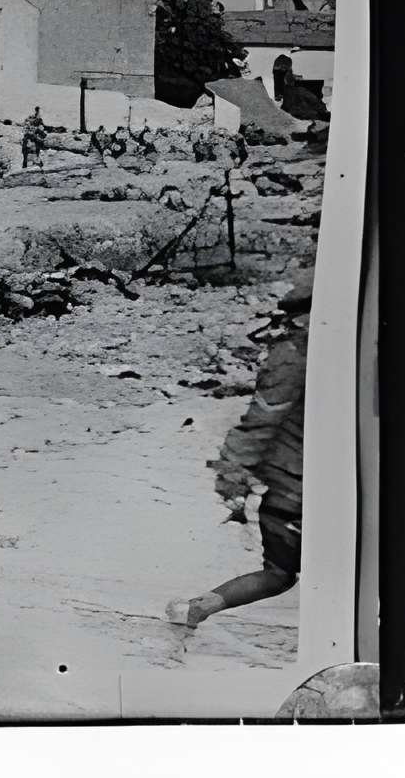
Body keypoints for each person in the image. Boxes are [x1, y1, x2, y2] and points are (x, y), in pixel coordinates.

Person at [170, 270, 311, 634]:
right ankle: (198, 607)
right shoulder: (298, 357)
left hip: (293, 488)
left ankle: (198, 607)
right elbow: (258, 425)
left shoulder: (301, 354)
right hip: (296, 491)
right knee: (284, 573)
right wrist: (232, 475)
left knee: (279, 574)